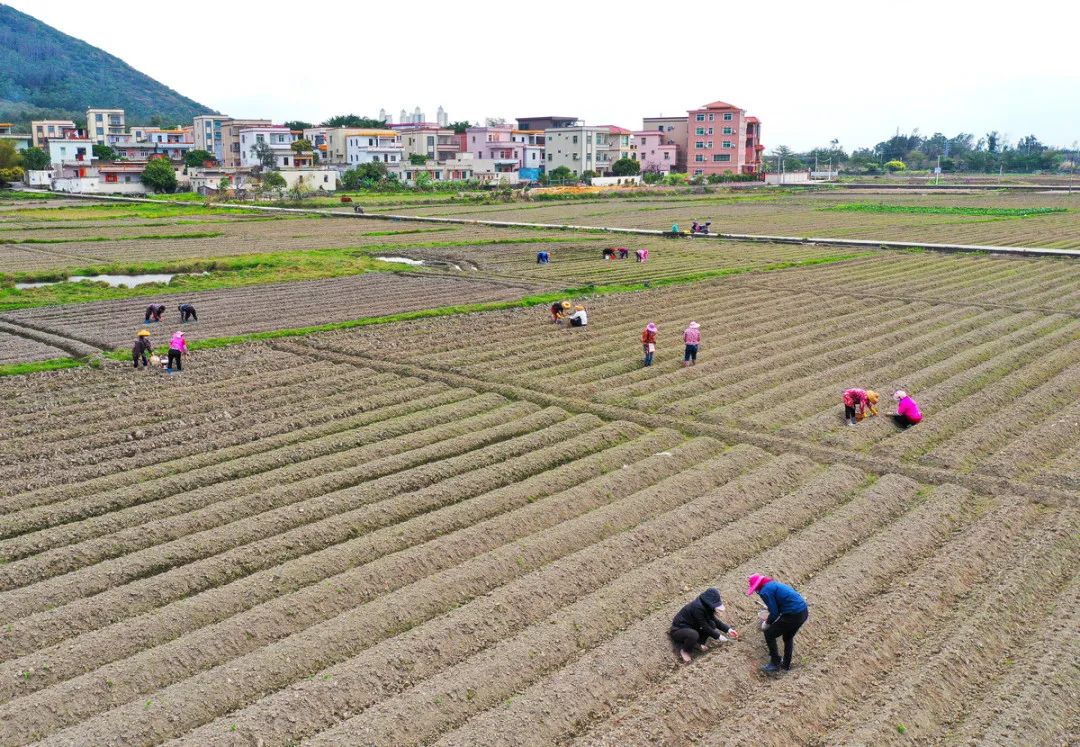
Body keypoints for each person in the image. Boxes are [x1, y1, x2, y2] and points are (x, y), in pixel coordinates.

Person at [747, 574, 809, 673]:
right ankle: (786, 664)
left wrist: (767, 623)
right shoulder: (772, 584)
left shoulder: (764, 591)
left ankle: (775, 663)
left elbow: (774, 613)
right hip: (803, 611)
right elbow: (781, 602)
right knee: (788, 637)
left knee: (769, 634)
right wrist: (770, 609)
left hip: (792, 614)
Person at [669, 588, 739, 664]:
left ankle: (698, 643)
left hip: (692, 627)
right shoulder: (697, 607)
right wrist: (718, 636)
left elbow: (714, 620)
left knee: (712, 624)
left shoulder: (707, 606)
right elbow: (704, 626)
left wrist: (728, 630)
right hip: (679, 629)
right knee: (693, 634)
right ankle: (685, 650)